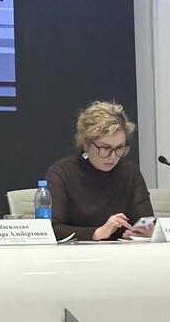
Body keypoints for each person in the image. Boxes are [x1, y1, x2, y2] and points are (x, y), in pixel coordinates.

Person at [45, 101, 153, 241]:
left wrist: (145, 233)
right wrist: (97, 233)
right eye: (105, 148)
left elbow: (146, 221)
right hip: (75, 252)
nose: (113, 156)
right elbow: (50, 229)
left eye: (120, 147)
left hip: (123, 252)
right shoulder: (61, 173)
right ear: (86, 143)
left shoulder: (130, 173)